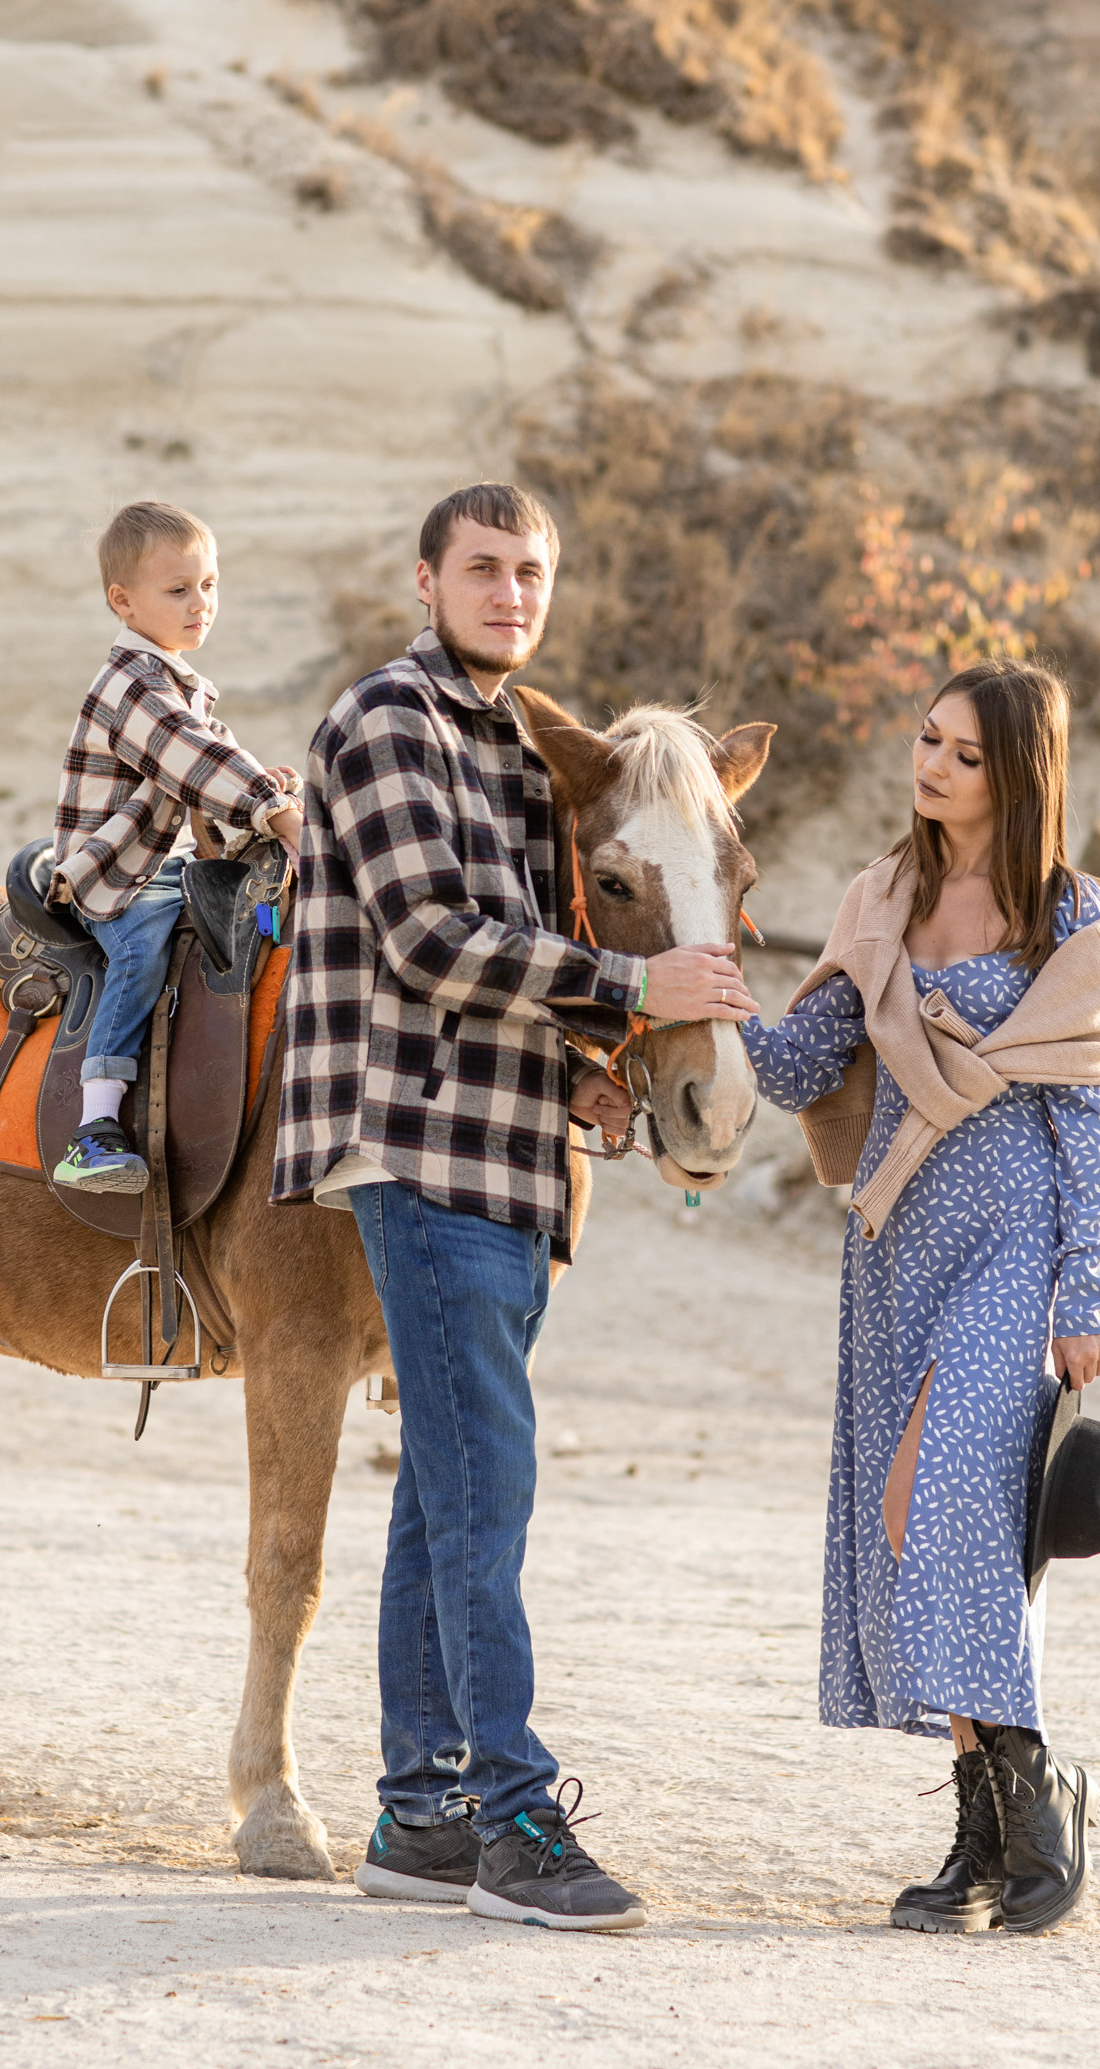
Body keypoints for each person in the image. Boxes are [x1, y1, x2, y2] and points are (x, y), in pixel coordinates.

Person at [274, 482, 756, 1930]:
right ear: (426, 579)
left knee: (442, 1496)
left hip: (507, 1153)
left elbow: (540, 944)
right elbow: (426, 939)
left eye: (531, 570)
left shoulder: (526, 747)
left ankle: (419, 1816)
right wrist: (632, 992)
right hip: (416, 1150)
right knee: (491, 1488)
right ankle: (514, 1819)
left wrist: (593, 1079)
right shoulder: (385, 726)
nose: (510, 592)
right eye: (482, 569)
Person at [740, 660, 1100, 1936]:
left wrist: (1087, 1288)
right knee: (921, 1533)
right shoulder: (881, 897)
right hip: (895, 1243)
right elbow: (805, 1064)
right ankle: (984, 1827)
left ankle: (1036, 1794)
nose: (929, 766)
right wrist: (705, 1004)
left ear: (1015, 772)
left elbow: (1085, 1122)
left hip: (1013, 1242)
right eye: (924, 740)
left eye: (961, 754)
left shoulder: (1069, 917)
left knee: (936, 1495)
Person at [48, 499, 304, 1195]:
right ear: (123, 602)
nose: (202, 604)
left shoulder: (178, 684)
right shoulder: (131, 685)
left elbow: (215, 753)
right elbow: (189, 755)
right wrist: (275, 810)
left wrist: (263, 785)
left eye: (210, 584)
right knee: (143, 945)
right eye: (179, 590)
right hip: (115, 877)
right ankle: (94, 1128)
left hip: (160, 864)